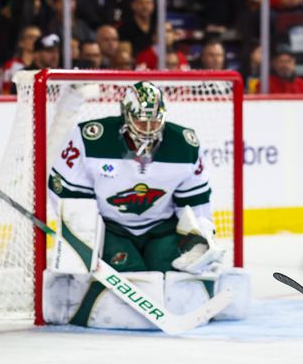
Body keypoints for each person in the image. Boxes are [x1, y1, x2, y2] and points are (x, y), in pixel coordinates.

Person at [44, 81, 250, 329]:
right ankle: (81, 304)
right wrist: (83, 241)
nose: (149, 129)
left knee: (172, 277)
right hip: (111, 229)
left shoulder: (184, 144)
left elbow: (195, 202)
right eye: (142, 121)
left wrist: (200, 239)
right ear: (126, 116)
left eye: (155, 121)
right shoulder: (91, 138)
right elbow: (65, 191)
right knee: (136, 278)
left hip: (160, 227)